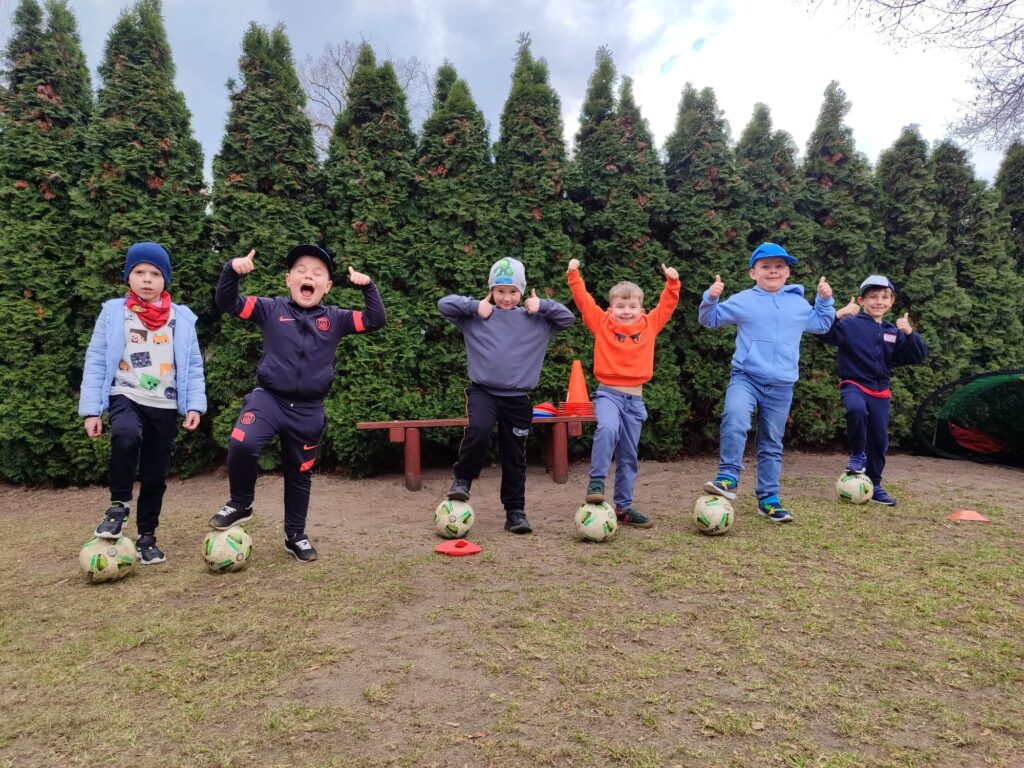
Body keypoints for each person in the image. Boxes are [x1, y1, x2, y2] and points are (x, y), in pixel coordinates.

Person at [210, 245, 386, 562]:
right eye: (301, 271)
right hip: (269, 399)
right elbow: (228, 302)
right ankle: (240, 503)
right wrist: (230, 271)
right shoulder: (269, 308)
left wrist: (368, 287)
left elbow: (375, 320)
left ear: (327, 286)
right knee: (242, 443)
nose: (309, 276)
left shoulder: (336, 318)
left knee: (299, 474)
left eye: (318, 273)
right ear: (288, 280)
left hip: (308, 410)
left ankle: (295, 536)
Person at [79, 241, 207, 564]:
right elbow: (96, 360)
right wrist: (92, 410)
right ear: (128, 277)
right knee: (124, 435)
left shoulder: (181, 319)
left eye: (155, 273)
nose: (147, 279)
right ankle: (118, 507)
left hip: (164, 405)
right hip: (126, 394)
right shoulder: (114, 313)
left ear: (165, 280)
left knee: (155, 474)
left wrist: (194, 405)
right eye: (139, 272)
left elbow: (193, 366)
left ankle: (147, 536)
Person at [699, 242, 835, 523]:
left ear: (787, 272)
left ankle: (768, 499)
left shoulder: (798, 304)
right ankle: (727, 477)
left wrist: (824, 300)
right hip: (745, 377)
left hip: (782, 385)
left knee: (771, 442)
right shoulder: (743, 300)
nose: (773, 271)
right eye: (766, 267)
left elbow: (822, 325)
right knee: (735, 418)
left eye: (779, 267)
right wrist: (710, 298)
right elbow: (709, 320)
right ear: (753, 273)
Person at [439, 257, 574, 534]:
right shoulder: (476, 316)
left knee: (514, 456)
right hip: (483, 392)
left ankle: (515, 513)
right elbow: (444, 305)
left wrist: (542, 305)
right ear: (491, 290)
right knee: (479, 431)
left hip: (518, 398)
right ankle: (462, 480)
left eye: (513, 291)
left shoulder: (537, 319)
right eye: (500, 290)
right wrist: (475, 306)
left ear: (521, 292)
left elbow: (567, 318)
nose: (506, 297)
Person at [566, 258, 680, 528]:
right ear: (610, 309)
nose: (626, 312)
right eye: (620, 306)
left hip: (635, 400)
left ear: (641, 309)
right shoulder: (602, 323)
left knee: (629, 456)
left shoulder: (650, 324)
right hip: (608, 395)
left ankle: (623, 507)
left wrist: (672, 282)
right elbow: (584, 301)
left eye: (632, 307)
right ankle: (596, 482)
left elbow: (667, 304)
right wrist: (573, 275)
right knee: (607, 428)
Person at [820, 275, 928, 506]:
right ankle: (857, 455)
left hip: (880, 392)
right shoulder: (850, 324)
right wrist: (837, 315)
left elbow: (917, 355)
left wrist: (909, 333)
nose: (878, 302)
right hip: (854, 384)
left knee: (879, 440)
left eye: (884, 297)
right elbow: (823, 334)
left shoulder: (893, 332)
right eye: (872, 297)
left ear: (891, 302)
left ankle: (875, 485)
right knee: (856, 409)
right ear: (861, 300)